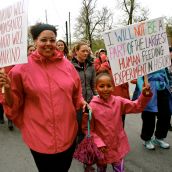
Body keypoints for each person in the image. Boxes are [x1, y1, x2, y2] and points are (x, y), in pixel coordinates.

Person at [0, 23, 87, 172]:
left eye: (52, 40)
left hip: (68, 134)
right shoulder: (20, 69)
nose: (49, 44)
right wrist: (7, 90)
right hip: (39, 137)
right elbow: (13, 106)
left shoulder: (67, 65)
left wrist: (82, 102)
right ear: (35, 41)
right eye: (43, 40)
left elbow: (76, 93)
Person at [82, 72, 152, 172]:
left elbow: (137, 107)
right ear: (96, 88)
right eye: (102, 86)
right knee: (101, 168)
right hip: (101, 148)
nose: (105, 89)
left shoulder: (118, 101)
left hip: (117, 146)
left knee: (119, 169)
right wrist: (98, 142)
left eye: (108, 86)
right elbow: (87, 129)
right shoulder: (91, 107)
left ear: (113, 87)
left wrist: (144, 95)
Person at [94, 50, 130, 127]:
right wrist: (105, 63)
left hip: (122, 99)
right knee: (110, 123)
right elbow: (97, 72)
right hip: (110, 100)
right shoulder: (105, 66)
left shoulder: (122, 66)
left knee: (121, 122)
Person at [136, 70, 171, 150]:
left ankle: (159, 138)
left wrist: (167, 84)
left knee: (165, 115)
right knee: (149, 116)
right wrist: (143, 89)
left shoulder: (162, 59)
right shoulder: (144, 60)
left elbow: (166, 74)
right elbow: (139, 78)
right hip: (149, 90)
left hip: (162, 90)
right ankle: (146, 139)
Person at [71, 41, 97, 143]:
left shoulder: (91, 66)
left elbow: (93, 84)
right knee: (78, 125)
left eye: (87, 51)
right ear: (76, 51)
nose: (86, 53)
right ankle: (78, 146)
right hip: (76, 102)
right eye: (83, 51)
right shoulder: (70, 66)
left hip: (90, 100)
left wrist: (96, 97)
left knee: (89, 124)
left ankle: (87, 146)